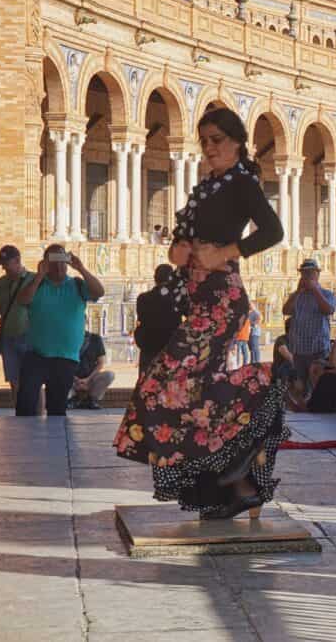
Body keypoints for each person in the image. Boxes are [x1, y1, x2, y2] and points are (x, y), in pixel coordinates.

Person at [112, 106, 288, 521]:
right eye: (204, 140)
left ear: (237, 143)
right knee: (184, 390)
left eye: (217, 140)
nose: (209, 147)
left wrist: (225, 251)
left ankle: (265, 385)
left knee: (165, 386)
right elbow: (185, 239)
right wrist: (180, 249)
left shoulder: (242, 182)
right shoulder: (207, 185)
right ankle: (233, 483)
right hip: (196, 299)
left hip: (222, 300)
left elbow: (273, 231)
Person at [15, 244, 105, 417]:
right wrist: (40, 275)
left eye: (62, 261)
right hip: (36, 354)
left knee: (57, 408)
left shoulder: (77, 285)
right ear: (45, 263)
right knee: (26, 401)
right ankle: (23, 439)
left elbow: (99, 291)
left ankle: (56, 443)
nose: (58, 266)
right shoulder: (36, 284)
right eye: (53, 261)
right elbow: (23, 300)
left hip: (65, 357)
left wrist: (81, 268)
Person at [282, 259, 336, 392]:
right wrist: (296, 293)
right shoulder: (297, 296)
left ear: (317, 274)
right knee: (299, 385)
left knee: (317, 385)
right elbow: (286, 311)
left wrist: (315, 291)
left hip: (317, 348)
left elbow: (328, 310)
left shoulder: (327, 294)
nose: (306, 276)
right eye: (304, 274)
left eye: (310, 273)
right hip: (298, 349)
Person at [0, 245, 35, 396]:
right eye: (2, 264)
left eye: (6, 264)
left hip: (29, 337)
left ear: (17, 260)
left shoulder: (33, 279)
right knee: (14, 381)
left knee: (33, 382)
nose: (4, 268)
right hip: (8, 338)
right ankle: (19, 415)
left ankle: (39, 417)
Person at [134, 263, 182, 375]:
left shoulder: (143, 298)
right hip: (171, 346)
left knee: (146, 380)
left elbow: (141, 318)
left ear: (155, 278)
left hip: (149, 344)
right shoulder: (177, 298)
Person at [68, 331, 115, 409]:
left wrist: (88, 379)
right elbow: (63, 363)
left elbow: (101, 363)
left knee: (109, 375)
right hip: (72, 379)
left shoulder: (95, 339)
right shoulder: (66, 338)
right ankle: (71, 399)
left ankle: (92, 399)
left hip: (91, 379)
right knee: (60, 376)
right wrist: (75, 379)